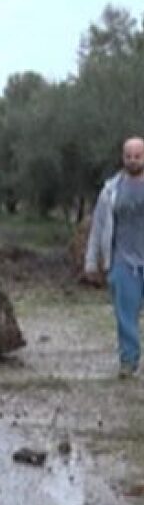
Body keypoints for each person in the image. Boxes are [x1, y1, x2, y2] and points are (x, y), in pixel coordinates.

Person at [85, 137, 144, 378]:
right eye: (128, 155)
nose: (132, 160)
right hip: (122, 261)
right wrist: (91, 261)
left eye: (137, 155)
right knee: (125, 315)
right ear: (122, 157)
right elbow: (98, 227)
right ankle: (128, 361)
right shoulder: (110, 190)